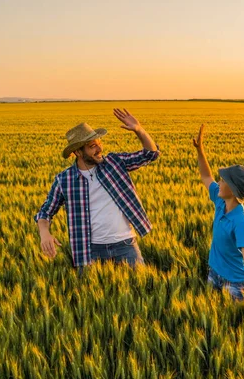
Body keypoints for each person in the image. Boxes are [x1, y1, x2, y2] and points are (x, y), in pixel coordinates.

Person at [35, 108, 160, 272]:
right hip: (88, 251)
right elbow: (45, 213)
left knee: (140, 292)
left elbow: (150, 155)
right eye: (93, 146)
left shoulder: (115, 163)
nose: (99, 149)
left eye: (99, 143)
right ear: (78, 152)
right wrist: (45, 233)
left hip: (126, 245)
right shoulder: (64, 180)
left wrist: (139, 130)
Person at [192, 124, 244, 321]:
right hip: (214, 273)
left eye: (223, 181)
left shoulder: (241, 221)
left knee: (230, 325)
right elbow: (206, 176)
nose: (219, 182)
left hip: (235, 283)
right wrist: (200, 150)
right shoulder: (220, 200)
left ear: (233, 189)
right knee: (212, 319)